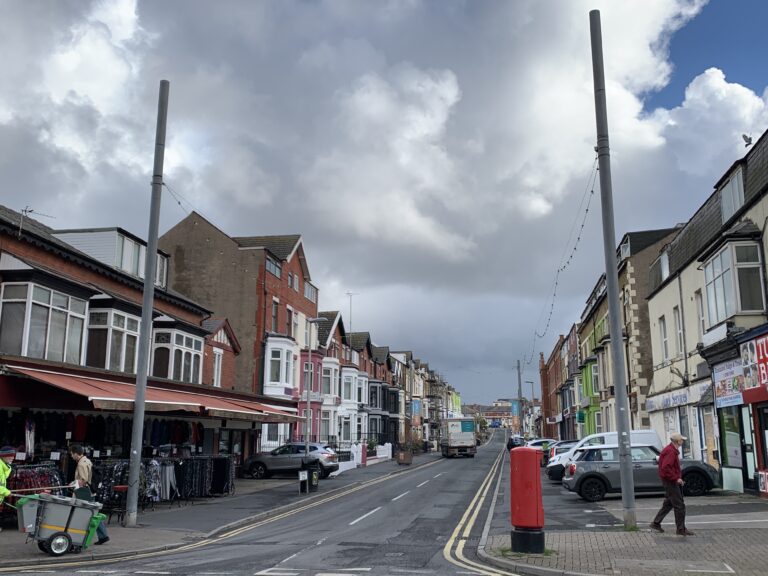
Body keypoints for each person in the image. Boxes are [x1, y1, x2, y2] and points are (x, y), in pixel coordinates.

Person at [650, 433, 695, 536]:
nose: (683, 441)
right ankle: (680, 529)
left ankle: (656, 523)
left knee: (669, 503)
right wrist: (676, 478)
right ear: (677, 441)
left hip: (669, 480)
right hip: (670, 482)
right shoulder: (671, 451)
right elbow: (666, 468)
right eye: (681, 440)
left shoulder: (670, 450)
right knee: (679, 505)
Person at [69, 444, 109, 545]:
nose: (71, 456)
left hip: (84, 493)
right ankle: (103, 536)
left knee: (90, 514)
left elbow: (84, 480)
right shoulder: (87, 460)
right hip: (90, 491)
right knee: (93, 513)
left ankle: (100, 536)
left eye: (72, 454)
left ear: (76, 454)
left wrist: (72, 484)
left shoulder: (81, 464)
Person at [0, 446, 15, 532]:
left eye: (13, 455)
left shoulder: (4, 466)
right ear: (3, 456)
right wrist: (7, 492)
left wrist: (9, 468)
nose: (13, 458)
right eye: (10, 455)